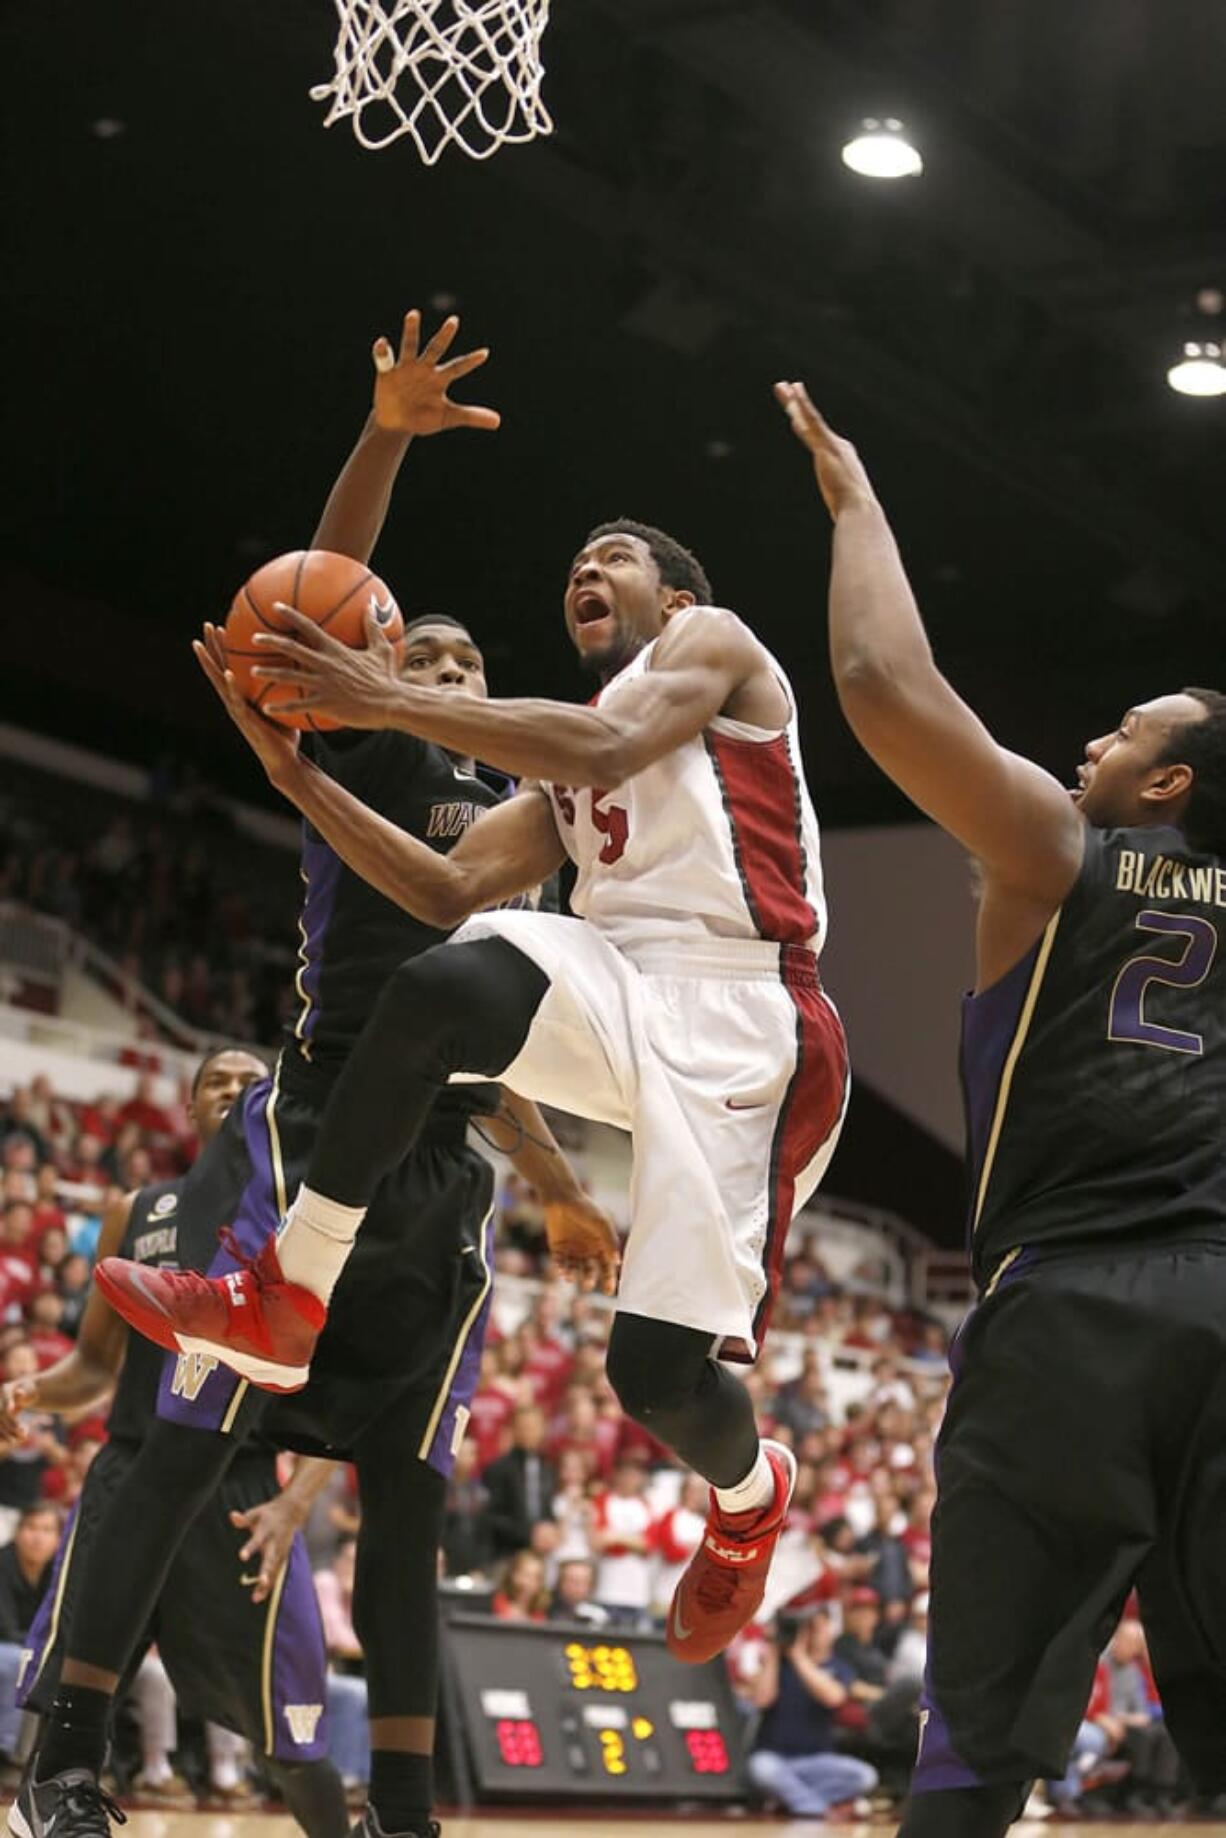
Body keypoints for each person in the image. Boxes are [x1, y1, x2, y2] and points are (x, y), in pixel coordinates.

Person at [101, 393, 851, 1671]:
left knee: (656, 1380)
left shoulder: (714, 648)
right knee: (446, 976)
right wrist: (300, 777)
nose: (583, 571)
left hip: (749, 1015)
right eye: (574, 565)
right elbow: (446, 887)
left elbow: (613, 735)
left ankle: (747, 1494)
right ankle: (288, 1292)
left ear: (672, 598)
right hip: (621, 982)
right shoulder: (549, 766)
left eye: (611, 558)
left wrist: (384, 707)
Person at [16, 311, 612, 1838]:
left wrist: (549, 1187)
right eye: (415, 653)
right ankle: (68, 1747)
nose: (441, 664)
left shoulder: (538, 800)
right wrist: (385, 439)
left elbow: (487, 999)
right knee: (174, 1439)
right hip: (307, 1132)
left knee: (407, 1499)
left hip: (442, 1161)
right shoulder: (362, 743)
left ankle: (403, 1806)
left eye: (463, 658)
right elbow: (318, 601)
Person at [773, 377, 1226, 1835]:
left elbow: (877, 685)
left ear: (1165, 780)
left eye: (1122, 730)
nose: (1093, 739)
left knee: (973, 1753)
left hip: (1070, 1315)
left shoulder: (1055, 848)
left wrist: (856, 505)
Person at [1, 1047, 348, 1836]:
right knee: (62, 1700)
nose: (231, 1089)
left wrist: (295, 1505)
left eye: (247, 1081)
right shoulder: (137, 1210)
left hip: (243, 1492)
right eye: (213, 1082)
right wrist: (32, 1391)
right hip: (132, 1471)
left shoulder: (306, 1223)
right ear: (189, 1111)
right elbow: (94, 1363)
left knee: (291, 1735)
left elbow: (342, 1392)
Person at [747, 1609, 879, 1819]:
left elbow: (833, 1697)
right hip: (775, 1758)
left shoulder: (837, 1666)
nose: (811, 1633)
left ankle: (789, 1800)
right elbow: (761, 1700)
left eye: (817, 1627)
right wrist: (773, 1651)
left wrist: (798, 1656)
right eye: (807, 1628)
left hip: (818, 1760)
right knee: (761, 1769)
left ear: (829, 1630)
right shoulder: (777, 1663)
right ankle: (818, 1808)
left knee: (865, 1776)